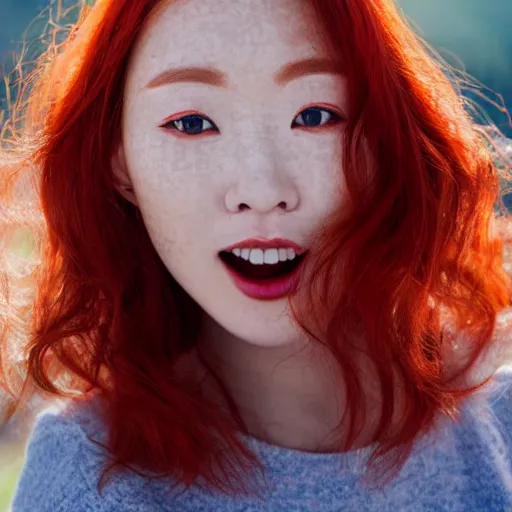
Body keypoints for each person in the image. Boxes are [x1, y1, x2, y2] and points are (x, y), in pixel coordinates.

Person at [1, 0, 511, 510]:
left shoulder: (499, 419)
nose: (262, 189)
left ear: (386, 142)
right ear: (120, 162)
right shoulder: (89, 477)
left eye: (314, 116)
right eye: (193, 123)